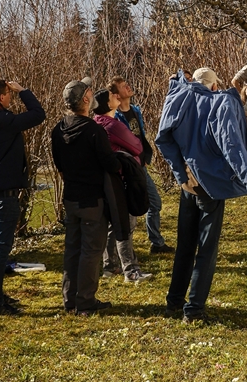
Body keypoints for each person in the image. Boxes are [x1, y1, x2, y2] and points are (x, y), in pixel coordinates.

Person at [156, 66, 247, 322]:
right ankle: (194, 309)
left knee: (185, 245)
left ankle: (174, 301)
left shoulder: (179, 99)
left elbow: (164, 138)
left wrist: (179, 172)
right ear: (214, 86)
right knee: (206, 248)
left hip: (188, 183)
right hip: (210, 186)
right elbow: (231, 145)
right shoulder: (219, 104)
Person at [0, 79, 46, 316]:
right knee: (2, 248)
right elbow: (38, 115)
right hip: (6, 189)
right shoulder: (3, 119)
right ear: (1, 96)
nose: (11, 98)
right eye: (9, 94)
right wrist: (24, 91)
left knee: (2, 247)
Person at [51, 78, 120, 316]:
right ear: (86, 99)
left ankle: (70, 299)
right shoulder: (93, 130)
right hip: (92, 199)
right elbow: (110, 164)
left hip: (71, 197)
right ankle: (86, 301)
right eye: (89, 91)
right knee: (91, 251)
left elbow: (59, 166)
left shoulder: (58, 129)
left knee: (72, 249)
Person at [94, 88, 153, 284]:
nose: (116, 96)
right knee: (125, 224)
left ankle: (110, 266)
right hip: (122, 179)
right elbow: (137, 145)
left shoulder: (95, 123)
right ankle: (131, 270)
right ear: (107, 104)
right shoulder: (112, 125)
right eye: (112, 96)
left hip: (104, 181)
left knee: (113, 224)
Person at [110, 75, 173, 254]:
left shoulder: (135, 110)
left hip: (140, 166)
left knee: (154, 203)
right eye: (123, 86)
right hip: (128, 168)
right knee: (129, 209)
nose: (128, 87)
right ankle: (121, 251)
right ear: (117, 95)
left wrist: (145, 155)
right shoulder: (115, 118)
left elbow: (140, 136)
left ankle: (156, 243)